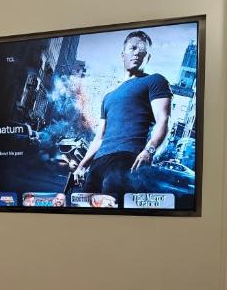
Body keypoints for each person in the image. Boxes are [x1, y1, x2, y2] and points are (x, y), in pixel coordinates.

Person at [73, 30, 172, 194]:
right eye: (133, 48)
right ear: (122, 55)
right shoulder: (108, 97)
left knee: (113, 207)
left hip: (127, 158)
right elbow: (99, 137)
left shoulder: (155, 80)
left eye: (142, 50)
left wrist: (149, 150)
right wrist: (82, 166)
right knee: (86, 208)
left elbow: (163, 121)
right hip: (98, 162)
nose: (137, 53)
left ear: (147, 57)